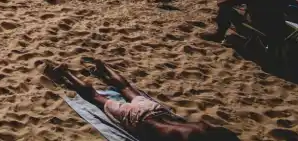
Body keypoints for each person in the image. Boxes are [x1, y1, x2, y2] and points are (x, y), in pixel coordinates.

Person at [46, 60, 240, 140]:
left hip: (155, 110)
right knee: (96, 98)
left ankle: (104, 67)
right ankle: (67, 74)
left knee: (126, 88)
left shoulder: (204, 128)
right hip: (137, 118)